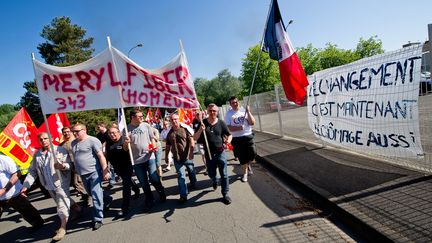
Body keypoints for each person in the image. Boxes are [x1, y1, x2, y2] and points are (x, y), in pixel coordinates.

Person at [22, 132, 81, 241]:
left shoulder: (59, 150)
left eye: (45, 138)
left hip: (61, 183)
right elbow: (32, 171)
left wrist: (63, 166)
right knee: (64, 199)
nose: (43, 141)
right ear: (39, 141)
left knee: (61, 204)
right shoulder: (37, 155)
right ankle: (76, 208)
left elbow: (70, 165)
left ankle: (62, 228)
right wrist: (26, 185)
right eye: (41, 139)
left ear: (50, 138)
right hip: (48, 185)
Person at [71, 123, 112, 231]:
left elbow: (100, 156)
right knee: (92, 192)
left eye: (77, 131)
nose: (74, 133)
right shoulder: (73, 143)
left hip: (95, 172)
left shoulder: (93, 140)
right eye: (73, 131)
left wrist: (105, 170)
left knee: (95, 195)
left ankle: (98, 219)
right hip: (83, 174)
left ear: (84, 130)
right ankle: (107, 199)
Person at [126, 109, 166, 212]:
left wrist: (152, 146)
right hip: (137, 161)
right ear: (133, 117)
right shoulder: (127, 129)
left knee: (153, 178)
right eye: (139, 117)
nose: (142, 118)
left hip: (149, 157)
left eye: (142, 116)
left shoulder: (146, 125)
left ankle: (161, 191)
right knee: (144, 183)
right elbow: (126, 148)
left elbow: (152, 138)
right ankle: (150, 200)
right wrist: (127, 142)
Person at [194, 104, 233, 205]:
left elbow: (229, 135)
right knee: (211, 173)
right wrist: (200, 130)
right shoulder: (203, 123)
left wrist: (227, 142)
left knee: (224, 174)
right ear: (207, 111)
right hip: (209, 154)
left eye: (214, 111)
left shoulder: (221, 123)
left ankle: (225, 194)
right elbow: (195, 138)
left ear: (217, 112)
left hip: (220, 152)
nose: (212, 113)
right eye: (210, 111)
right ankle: (214, 180)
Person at [0, 154, 44, 231]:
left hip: (13, 193)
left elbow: (17, 174)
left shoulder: (3, 159)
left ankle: (39, 226)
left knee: (30, 215)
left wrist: (4, 189)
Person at [105, 126, 140, 217]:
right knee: (127, 180)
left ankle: (125, 207)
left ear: (119, 132)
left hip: (127, 166)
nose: (112, 135)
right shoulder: (108, 143)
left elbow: (128, 149)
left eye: (114, 132)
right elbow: (107, 156)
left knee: (125, 185)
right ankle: (136, 188)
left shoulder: (124, 140)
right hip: (117, 168)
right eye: (110, 133)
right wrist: (106, 168)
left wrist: (127, 143)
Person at [165, 114, 197, 203]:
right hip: (177, 158)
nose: (174, 121)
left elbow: (191, 140)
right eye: (172, 120)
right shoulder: (169, 133)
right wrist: (166, 156)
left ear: (178, 119)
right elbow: (168, 146)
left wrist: (191, 152)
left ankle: (193, 182)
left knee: (191, 171)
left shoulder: (184, 129)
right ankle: (183, 195)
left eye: (176, 119)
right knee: (181, 176)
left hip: (187, 156)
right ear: (170, 121)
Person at [224, 96, 256, 182]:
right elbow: (228, 127)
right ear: (230, 104)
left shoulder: (244, 110)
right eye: (232, 103)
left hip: (248, 136)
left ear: (238, 102)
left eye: (236, 102)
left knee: (253, 154)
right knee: (242, 157)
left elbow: (252, 122)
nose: (235, 104)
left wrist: (248, 111)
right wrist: (238, 128)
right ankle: (245, 173)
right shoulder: (229, 114)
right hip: (236, 139)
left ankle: (247, 164)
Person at [60, 126, 90, 206]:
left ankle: (88, 197)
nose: (66, 133)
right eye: (64, 132)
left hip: (77, 164)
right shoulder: (62, 145)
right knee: (73, 184)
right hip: (68, 166)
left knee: (77, 182)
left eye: (68, 131)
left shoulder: (75, 141)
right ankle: (85, 196)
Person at [96, 122, 116, 188]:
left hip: (110, 151)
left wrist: (105, 144)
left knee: (112, 167)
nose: (98, 128)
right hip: (103, 153)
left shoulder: (108, 132)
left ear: (103, 126)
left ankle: (112, 180)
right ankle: (109, 180)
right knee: (105, 166)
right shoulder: (98, 135)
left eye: (99, 127)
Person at [192, 110, 208, 175]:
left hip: (207, 141)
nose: (198, 116)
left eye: (199, 114)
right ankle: (207, 167)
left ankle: (210, 166)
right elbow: (194, 131)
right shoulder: (194, 121)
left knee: (208, 154)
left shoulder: (206, 121)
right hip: (199, 141)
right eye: (197, 115)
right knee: (203, 154)